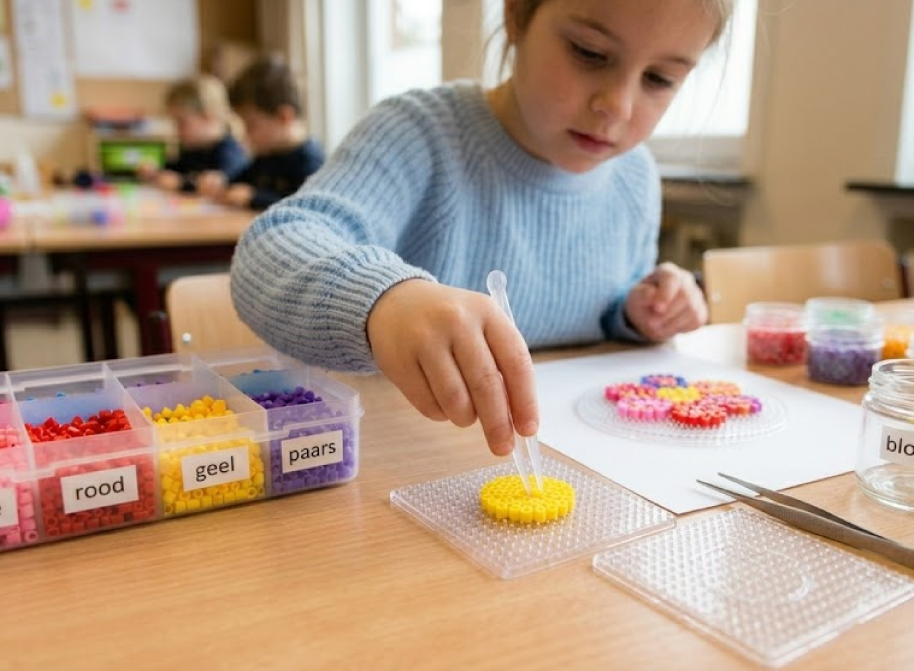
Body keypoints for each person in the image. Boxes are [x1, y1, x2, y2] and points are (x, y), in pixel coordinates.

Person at [231, 0, 729, 457]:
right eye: (589, 52)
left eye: (659, 78)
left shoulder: (636, 176)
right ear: (517, 17)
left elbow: (598, 311)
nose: (618, 105)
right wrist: (386, 301)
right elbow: (270, 249)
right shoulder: (420, 132)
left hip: (578, 461)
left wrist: (640, 311)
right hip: (406, 460)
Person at [197, 55, 325, 210]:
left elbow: (305, 207)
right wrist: (222, 183)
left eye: (251, 125)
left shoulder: (311, 162)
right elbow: (240, 181)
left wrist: (255, 198)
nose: (245, 135)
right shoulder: (267, 156)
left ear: (284, 117)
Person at [141, 74, 250, 194]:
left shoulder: (229, 153)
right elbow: (178, 169)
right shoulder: (194, 149)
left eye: (181, 123)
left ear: (208, 116)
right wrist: (156, 172)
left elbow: (221, 185)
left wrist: (181, 184)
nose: (177, 132)